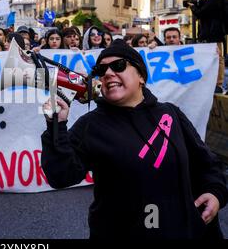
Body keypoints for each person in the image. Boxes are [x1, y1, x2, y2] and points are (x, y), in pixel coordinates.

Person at [41, 43, 227, 239]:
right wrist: (57, 125)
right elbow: (60, 176)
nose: (108, 73)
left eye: (119, 65)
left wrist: (215, 192)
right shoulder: (90, 125)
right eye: (101, 70)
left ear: (141, 77)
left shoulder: (170, 113)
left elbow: (206, 162)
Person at [190, 0, 228, 93]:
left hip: (211, 31)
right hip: (217, 31)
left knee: (217, 57)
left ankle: (218, 83)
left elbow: (201, 13)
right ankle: (216, 82)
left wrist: (193, 7)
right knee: (216, 56)